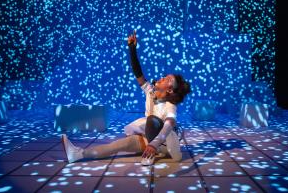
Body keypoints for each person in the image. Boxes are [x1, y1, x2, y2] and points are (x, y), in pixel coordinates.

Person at [62, 30, 191, 165]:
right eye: (165, 76)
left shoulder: (170, 105)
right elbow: (138, 73)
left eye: (167, 79)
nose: (163, 77)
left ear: (170, 90)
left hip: (165, 142)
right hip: (149, 138)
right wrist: (132, 49)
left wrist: (154, 144)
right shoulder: (151, 92)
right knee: (117, 145)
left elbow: (169, 124)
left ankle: (153, 152)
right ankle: (77, 154)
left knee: (153, 120)